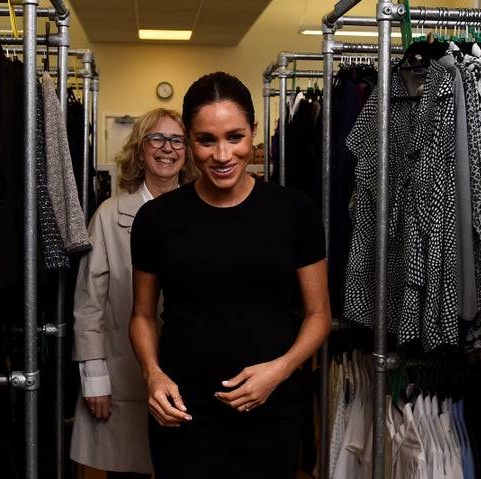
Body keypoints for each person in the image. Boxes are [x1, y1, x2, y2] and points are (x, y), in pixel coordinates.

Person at [128, 72, 332, 478]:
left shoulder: (295, 211)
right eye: (206, 140)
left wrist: (281, 369)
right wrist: (153, 375)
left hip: (271, 409)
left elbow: (318, 316)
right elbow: (142, 315)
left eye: (235, 138)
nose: (222, 155)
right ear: (188, 139)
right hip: (183, 413)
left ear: (254, 133)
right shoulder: (156, 219)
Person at [70, 108, 198, 479]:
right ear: (140, 151)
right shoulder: (110, 215)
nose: (167, 148)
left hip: (189, 374)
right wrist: (94, 379)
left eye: (177, 140)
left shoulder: (202, 213)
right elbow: (89, 303)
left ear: (187, 152)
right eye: (156, 139)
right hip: (125, 378)